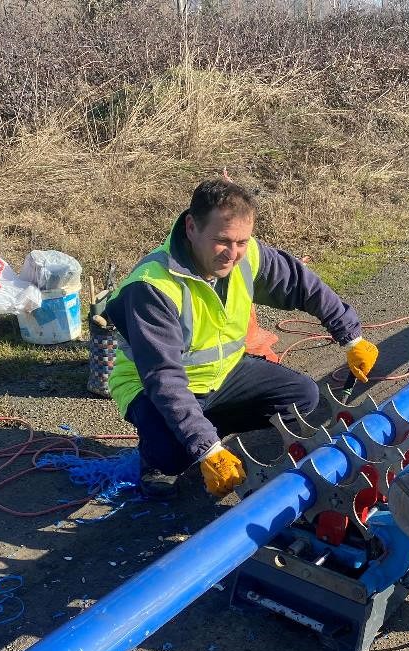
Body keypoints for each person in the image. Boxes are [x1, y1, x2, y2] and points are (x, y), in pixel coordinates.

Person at [104, 178, 378, 499]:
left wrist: (351, 337)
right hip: (157, 388)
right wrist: (207, 450)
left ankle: (202, 429)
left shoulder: (247, 256)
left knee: (304, 397)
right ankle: (161, 452)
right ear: (191, 227)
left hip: (225, 374)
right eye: (222, 240)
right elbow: (164, 380)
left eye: (242, 242)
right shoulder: (152, 286)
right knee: (172, 456)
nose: (233, 255)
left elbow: (302, 285)